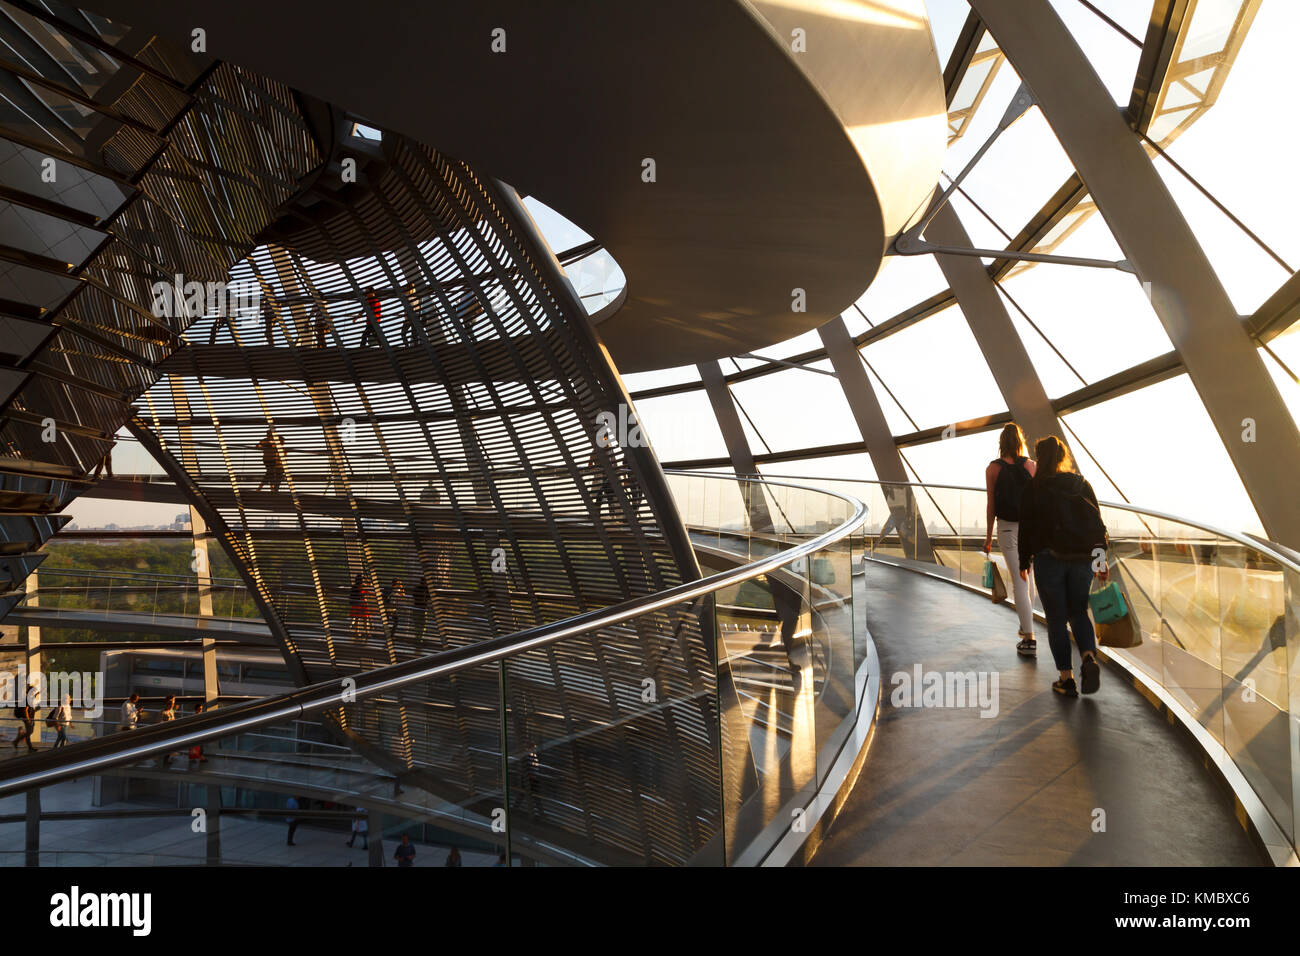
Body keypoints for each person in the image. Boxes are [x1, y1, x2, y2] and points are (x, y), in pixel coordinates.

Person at [1017, 435, 1108, 697]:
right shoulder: (1081, 484)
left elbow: (1026, 530)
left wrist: (1024, 562)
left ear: (1039, 457)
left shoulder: (1033, 489)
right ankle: (1089, 657)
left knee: (1056, 619)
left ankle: (1066, 679)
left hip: (1049, 559)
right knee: (1078, 612)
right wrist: (1100, 561)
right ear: (1062, 457)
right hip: (1082, 560)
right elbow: (1097, 525)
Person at [983, 423, 1038, 656]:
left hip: (1007, 530)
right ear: (1020, 441)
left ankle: (1029, 637)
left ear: (1001, 443)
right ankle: (1027, 629)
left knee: (1019, 581)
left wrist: (987, 535)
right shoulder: (1031, 466)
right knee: (1029, 579)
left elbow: (991, 504)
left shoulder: (993, 469)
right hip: (1031, 530)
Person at [256, 428, 287, 493]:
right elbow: (257, 446)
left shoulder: (275, 441)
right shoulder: (265, 440)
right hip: (268, 459)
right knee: (270, 473)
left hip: (273, 460)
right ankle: (269, 489)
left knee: (270, 474)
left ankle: (265, 489)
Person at [350, 573, 373, 638]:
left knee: (357, 619)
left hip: (356, 604)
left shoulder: (354, 586)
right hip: (362, 604)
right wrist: (366, 579)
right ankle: (366, 632)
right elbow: (369, 586)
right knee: (365, 619)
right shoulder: (362, 586)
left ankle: (357, 632)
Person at [411, 576, 430, 643]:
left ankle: (418, 639)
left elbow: (414, 596)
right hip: (422, 609)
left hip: (416, 608)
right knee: (422, 625)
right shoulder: (427, 590)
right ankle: (420, 640)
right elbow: (429, 598)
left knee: (417, 625)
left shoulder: (416, 588)